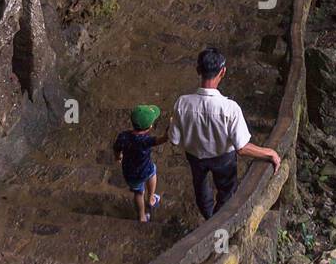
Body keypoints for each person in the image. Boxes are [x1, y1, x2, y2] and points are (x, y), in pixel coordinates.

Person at [168, 47, 281, 220]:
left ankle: (208, 217)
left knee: (200, 187)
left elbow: (174, 140)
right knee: (226, 190)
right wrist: (269, 152)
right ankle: (218, 221)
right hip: (223, 159)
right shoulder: (230, 109)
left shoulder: (182, 103)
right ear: (223, 72)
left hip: (195, 157)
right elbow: (242, 148)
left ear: (198, 70)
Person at [113, 104, 168, 222]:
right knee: (153, 171)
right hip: (146, 169)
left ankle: (142, 216)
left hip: (130, 172)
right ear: (150, 126)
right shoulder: (146, 140)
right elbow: (162, 139)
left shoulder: (123, 136)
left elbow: (116, 148)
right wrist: (169, 131)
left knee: (138, 193)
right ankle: (151, 198)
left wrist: (118, 157)